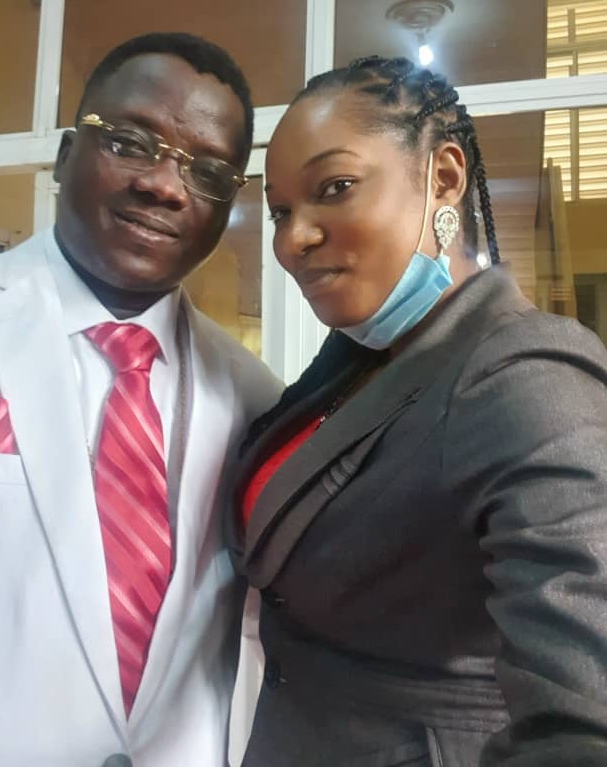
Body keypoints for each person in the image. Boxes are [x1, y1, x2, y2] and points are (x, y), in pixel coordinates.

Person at [226, 56, 607, 766]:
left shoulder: (526, 377)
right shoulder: (359, 358)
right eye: (280, 211)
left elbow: (584, 717)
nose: (291, 240)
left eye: (334, 188)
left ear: (445, 177)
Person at [0, 32, 282, 767]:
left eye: (208, 172)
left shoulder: (254, 397)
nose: (166, 186)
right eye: (130, 142)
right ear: (64, 156)